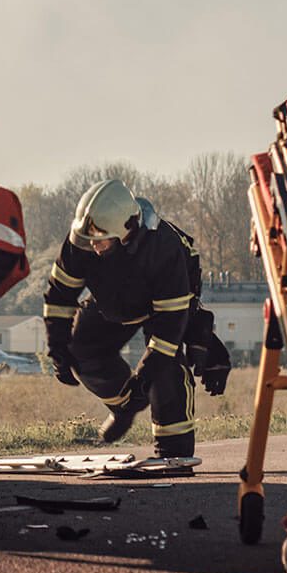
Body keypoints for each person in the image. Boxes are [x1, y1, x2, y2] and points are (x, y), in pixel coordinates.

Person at [41, 178, 231, 462]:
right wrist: (57, 348)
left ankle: (173, 447)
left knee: (164, 368)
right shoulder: (82, 243)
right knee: (78, 344)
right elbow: (59, 297)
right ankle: (125, 407)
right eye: (88, 239)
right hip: (115, 300)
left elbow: (167, 331)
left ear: (127, 231)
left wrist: (144, 377)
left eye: (101, 240)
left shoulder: (163, 249)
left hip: (166, 303)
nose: (93, 247)